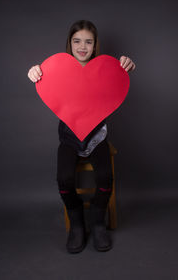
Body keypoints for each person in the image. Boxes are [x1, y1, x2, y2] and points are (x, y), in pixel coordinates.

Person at [27, 20, 136, 253]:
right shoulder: (57, 71)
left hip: (97, 137)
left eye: (88, 41)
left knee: (106, 176)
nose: (82, 46)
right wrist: (34, 71)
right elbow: (39, 75)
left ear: (96, 44)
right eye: (77, 41)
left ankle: (97, 222)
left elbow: (122, 74)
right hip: (69, 138)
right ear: (70, 43)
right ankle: (77, 223)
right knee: (64, 178)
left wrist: (127, 66)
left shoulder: (106, 69)